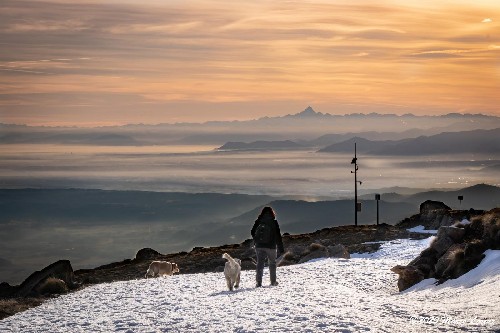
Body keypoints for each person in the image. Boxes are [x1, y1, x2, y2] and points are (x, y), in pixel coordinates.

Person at [251, 206, 285, 287]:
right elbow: (278, 236)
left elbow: (252, 231)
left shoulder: (259, 221)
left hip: (259, 246)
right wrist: (281, 248)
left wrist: (256, 240)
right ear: (272, 213)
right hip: (271, 246)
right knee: (272, 264)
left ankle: (258, 282)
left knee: (260, 263)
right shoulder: (274, 222)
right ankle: (273, 282)